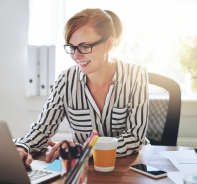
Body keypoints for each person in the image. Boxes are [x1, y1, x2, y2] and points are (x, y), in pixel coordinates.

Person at [15, 8, 149, 166]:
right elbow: (43, 128)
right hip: (84, 171)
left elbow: (135, 138)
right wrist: (21, 147)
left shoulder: (136, 75)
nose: (76, 56)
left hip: (128, 168)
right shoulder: (66, 80)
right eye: (72, 47)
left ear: (108, 44)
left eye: (84, 46)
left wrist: (84, 150)